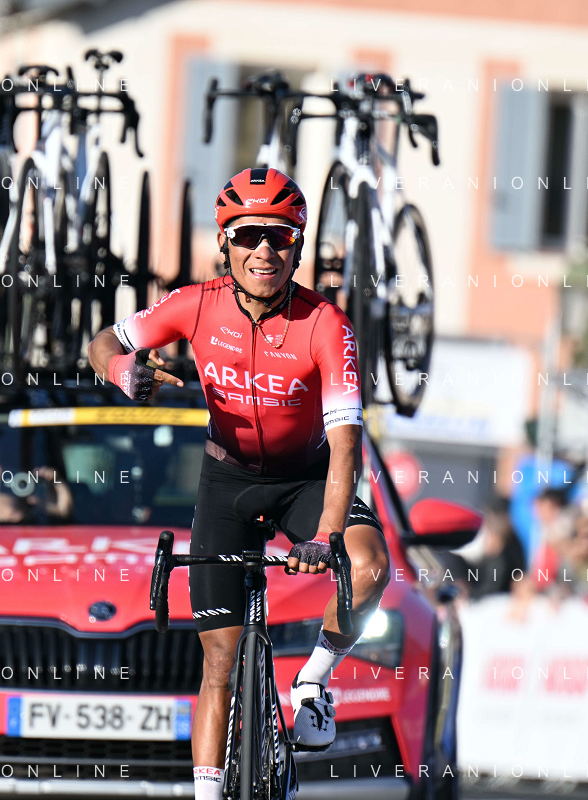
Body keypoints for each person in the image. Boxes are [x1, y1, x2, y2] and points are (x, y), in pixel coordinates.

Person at [88, 167, 390, 800]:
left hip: (304, 480)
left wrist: (326, 535)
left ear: (298, 247)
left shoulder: (326, 324)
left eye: (280, 236)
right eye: (249, 235)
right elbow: (104, 341)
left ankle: (312, 680)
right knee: (219, 664)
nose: (264, 250)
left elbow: (346, 444)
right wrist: (121, 371)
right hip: (226, 481)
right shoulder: (195, 304)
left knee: (368, 566)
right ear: (226, 242)